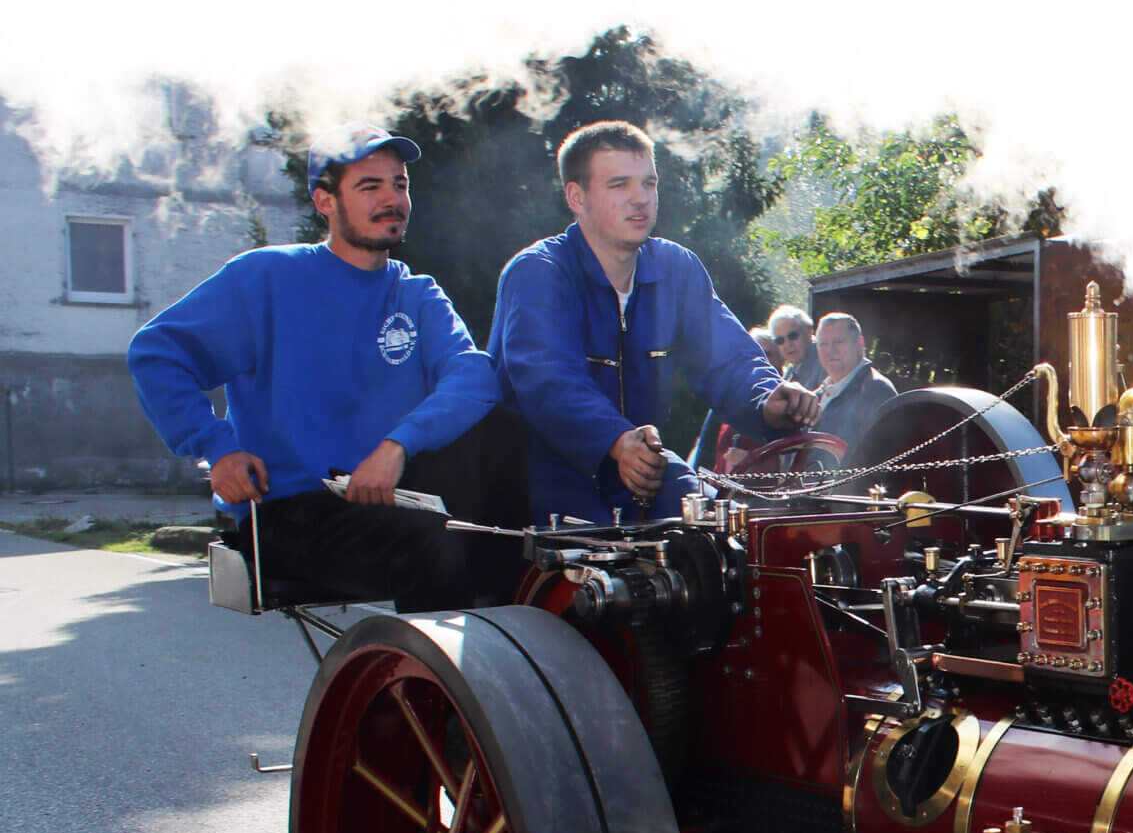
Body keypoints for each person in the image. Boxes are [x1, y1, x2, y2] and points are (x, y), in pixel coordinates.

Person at [126, 125, 495, 610]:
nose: (393, 198)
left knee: (509, 533)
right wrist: (217, 448)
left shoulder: (415, 293)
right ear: (325, 201)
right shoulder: (267, 278)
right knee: (433, 544)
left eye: (400, 184)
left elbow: (473, 376)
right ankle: (432, 682)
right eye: (371, 187)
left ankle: (505, 676)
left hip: (393, 500)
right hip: (288, 509)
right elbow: (156, 354)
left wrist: (397, 446)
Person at [490, 121, 818, 522]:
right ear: (576, 197)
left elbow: (727, 357)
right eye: (619, 185)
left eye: (649, 183)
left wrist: (767, 400)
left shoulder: (676, 268)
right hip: (540, 482)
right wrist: (614, 439)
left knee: (731, 534)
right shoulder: (538, 272)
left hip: (645, 467)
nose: (640, 199)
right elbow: (549, 382)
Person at [810, 312, 899, 451]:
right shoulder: (817, 395)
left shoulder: (876, 391)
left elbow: (882, 457)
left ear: (859, 343)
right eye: (823, 344)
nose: (830, 350)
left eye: (838, 342)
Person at [766, 305, 822, 389]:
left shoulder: (826, 362)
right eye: (780, 340)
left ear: (809, 331)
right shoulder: (792, 369)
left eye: (792, 336)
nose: (788, 344)